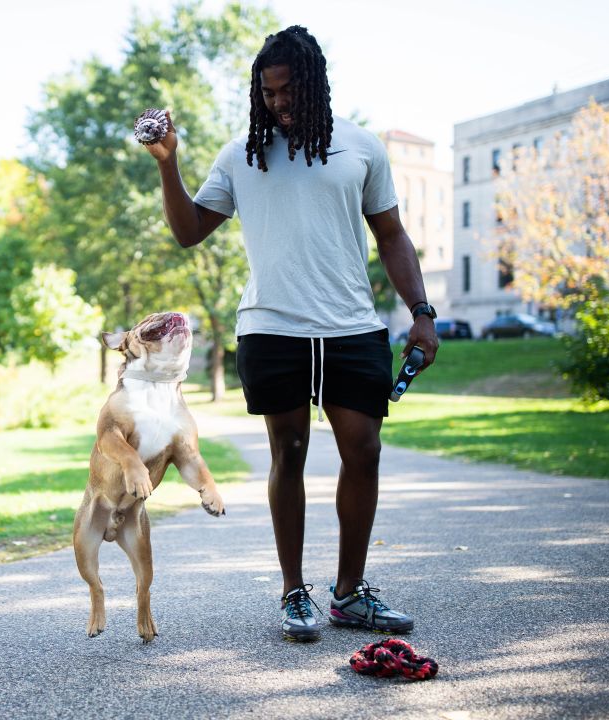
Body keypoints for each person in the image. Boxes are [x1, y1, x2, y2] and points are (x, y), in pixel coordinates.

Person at [142, 25, 439, 642]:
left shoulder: (360, 148)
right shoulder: (242, 154)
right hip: (273, 328)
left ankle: (351, 592)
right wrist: (169, 165)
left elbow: (390, 234)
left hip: (351, 325)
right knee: (291, 453)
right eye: (269, 93)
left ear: (315, 83)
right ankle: (294, 592)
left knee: (363, 450)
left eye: (289, 90)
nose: (279, 103)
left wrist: (421, 310)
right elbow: (190, 230)